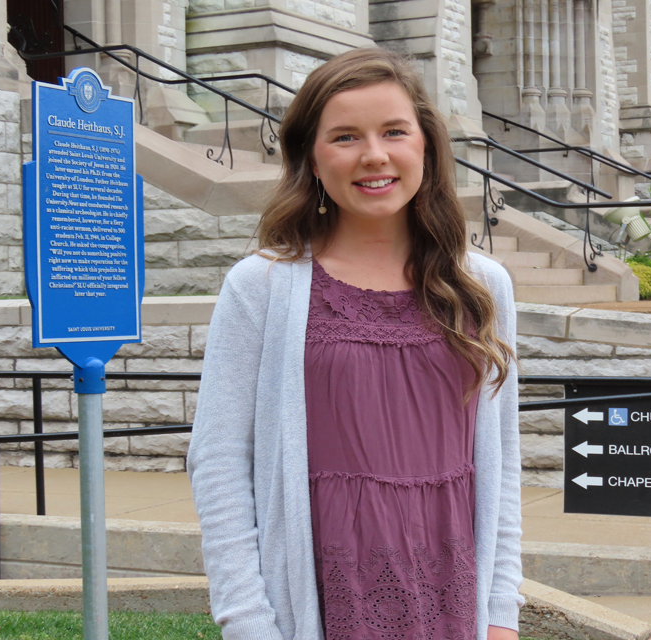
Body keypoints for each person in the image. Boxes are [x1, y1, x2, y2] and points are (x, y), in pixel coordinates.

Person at [187, 47, 523, 640]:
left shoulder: (480, 286)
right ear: (312, 159)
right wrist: (248, 623)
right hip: (321, 596)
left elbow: (501, 465)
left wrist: (500, 614)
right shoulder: (262, 287)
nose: (374, 155)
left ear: (426, 146)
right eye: (344, 137)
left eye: (395, 131)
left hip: (450, 594)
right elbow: (218, 463)